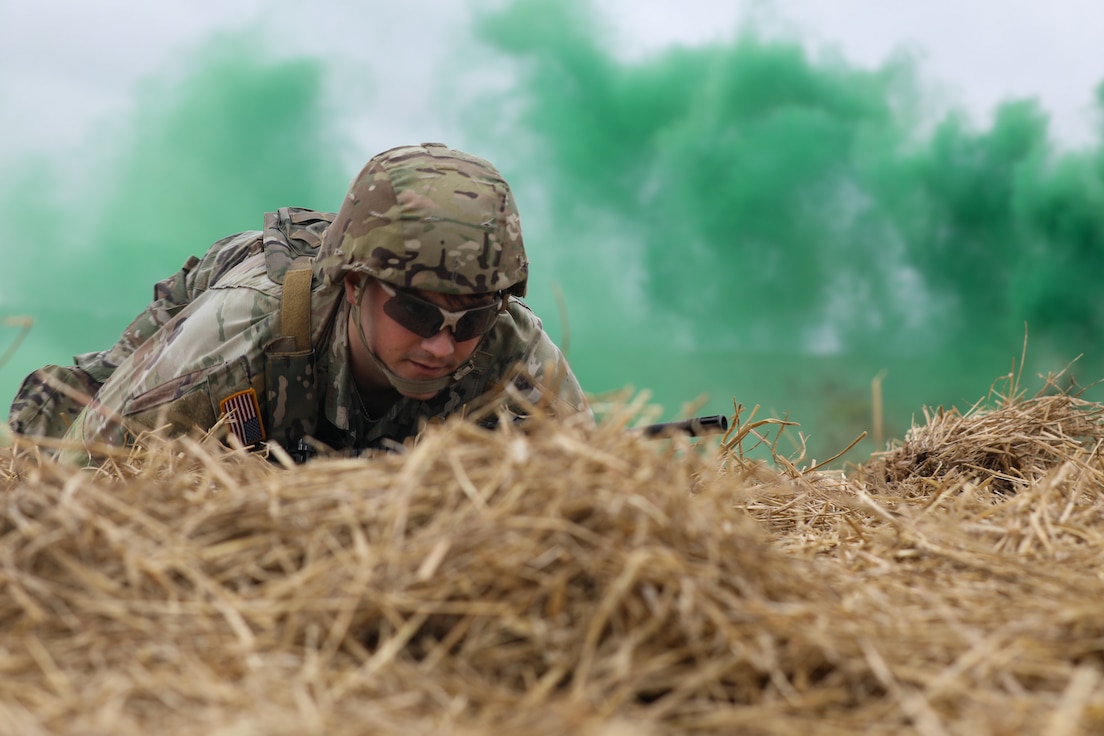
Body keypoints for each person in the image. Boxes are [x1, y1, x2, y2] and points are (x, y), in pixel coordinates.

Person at [8, 142, 589, 460]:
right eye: (416, 312)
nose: (443, 344)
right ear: (355, 285)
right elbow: (83, 471)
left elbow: (593, 496)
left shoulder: (513, 350)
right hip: (207, 328)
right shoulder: (239, 333)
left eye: (473, 320)